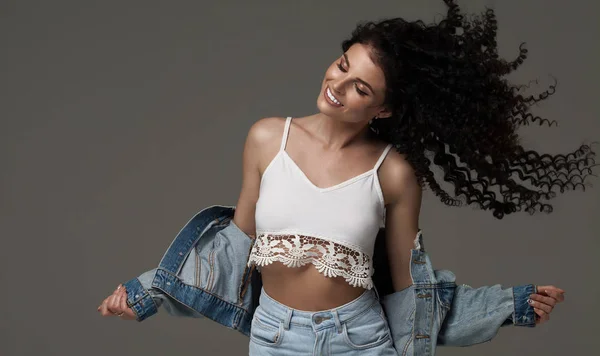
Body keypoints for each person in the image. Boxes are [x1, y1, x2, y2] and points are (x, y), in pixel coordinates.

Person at [98, 0, 593, 354]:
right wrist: (149, 291)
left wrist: (507, 305)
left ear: (383, 109)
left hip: (359, 339)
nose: (338, 86)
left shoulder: (395, 173)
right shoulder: (267, 138)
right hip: (273, 338)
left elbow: (408, 293)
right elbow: (233, 248)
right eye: (341, 66)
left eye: (361, 88)